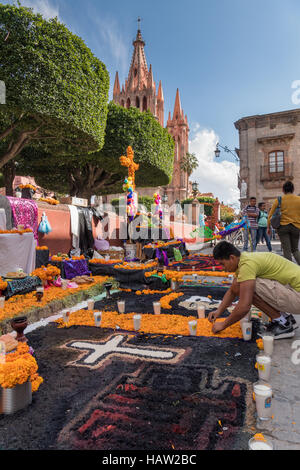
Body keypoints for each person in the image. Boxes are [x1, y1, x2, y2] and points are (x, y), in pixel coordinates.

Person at [208, 241, 299, 339]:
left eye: (222, 264)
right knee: (240, 284)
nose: (223, 268)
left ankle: (283, 323)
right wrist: (219, 311)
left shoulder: (247, 265)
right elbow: (233, 290)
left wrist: (223, 324)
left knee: (248, 287)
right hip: (293, 292)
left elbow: (244, 306)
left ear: (232, 258)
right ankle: (284, 318)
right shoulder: (244, 259)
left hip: (297, 297)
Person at [267, 181, 300, 264]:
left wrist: (268, 227)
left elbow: (270, 215)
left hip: (283, 227)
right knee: (295, 249)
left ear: (283, 190)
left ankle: (289, 271)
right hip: (296, 227)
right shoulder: (299, 200)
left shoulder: (279, 200)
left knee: (286, 250)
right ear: (293, 189)